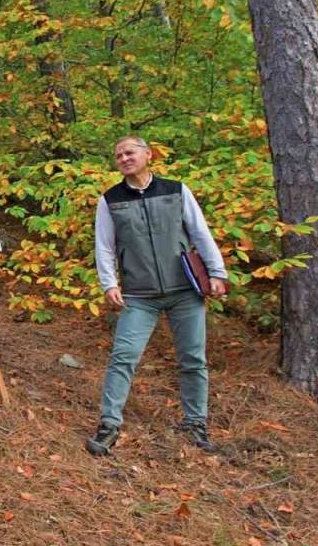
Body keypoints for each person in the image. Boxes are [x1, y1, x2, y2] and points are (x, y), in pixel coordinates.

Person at [86, 135, 229, 457]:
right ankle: (109, 425)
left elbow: (199, 232)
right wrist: (109, 283)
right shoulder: (110, 200)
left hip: (184, 291)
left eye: (130, 152)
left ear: (148, 155)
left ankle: (196, 424)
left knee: (193, 360)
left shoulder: (176, 191)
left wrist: (217, 272)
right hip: (139, 295)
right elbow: (104, 246)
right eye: (118, 154)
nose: (124, 158)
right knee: (123, 357)